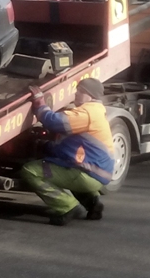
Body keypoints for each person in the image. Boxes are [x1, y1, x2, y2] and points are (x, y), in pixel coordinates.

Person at [20, 78, 115, 226]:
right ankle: (92, 202)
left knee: (30, 170)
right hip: (99, 174)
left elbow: (55, 122)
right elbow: (69, 147)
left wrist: (40, 104)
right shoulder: (97, 112)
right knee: (66, 167)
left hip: (87, 174)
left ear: (90, 95)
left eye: (80, 91)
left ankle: (66, 206)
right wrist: (47, 147)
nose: (76, 94)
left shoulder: (87, 113)